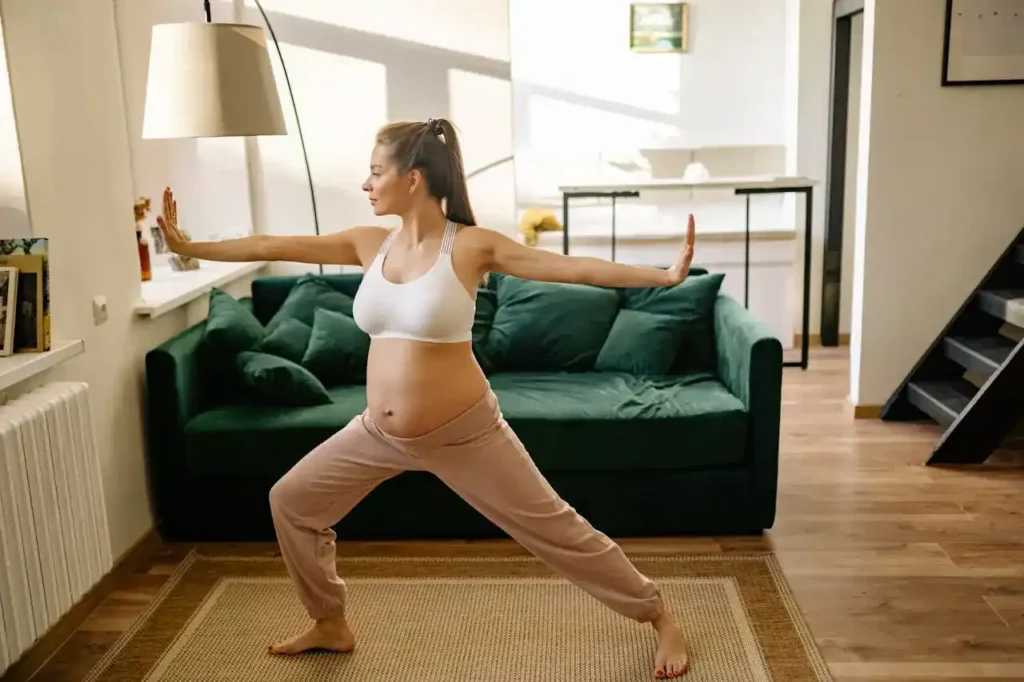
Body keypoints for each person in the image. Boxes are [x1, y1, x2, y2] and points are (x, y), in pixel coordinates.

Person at [156, 117, 695, 679]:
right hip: (377, 432)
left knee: (556, 529)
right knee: (291, 502)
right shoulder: (370, 244)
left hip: (465, 432)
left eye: (374, 172)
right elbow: (272, 243)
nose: (366, 184)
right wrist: (193, 247)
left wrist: (661, 277)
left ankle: (659, 616)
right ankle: (329, 623)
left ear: (412, 178)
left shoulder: (470, 246)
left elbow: (570, 268)